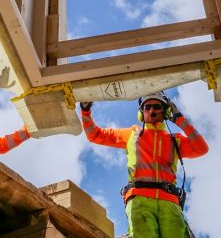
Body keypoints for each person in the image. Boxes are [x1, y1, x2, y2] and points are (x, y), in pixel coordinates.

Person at [80, 92, 208, 238]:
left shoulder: (175, 140)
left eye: (156, 107)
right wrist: (85, 110)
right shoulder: (132, 134)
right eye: (147, 107)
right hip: (140, 200)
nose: (151, 111)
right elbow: (94, 134)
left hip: (169, 202)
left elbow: (201, 148)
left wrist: (181, 121)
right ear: (142, 112)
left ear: (166, 111)